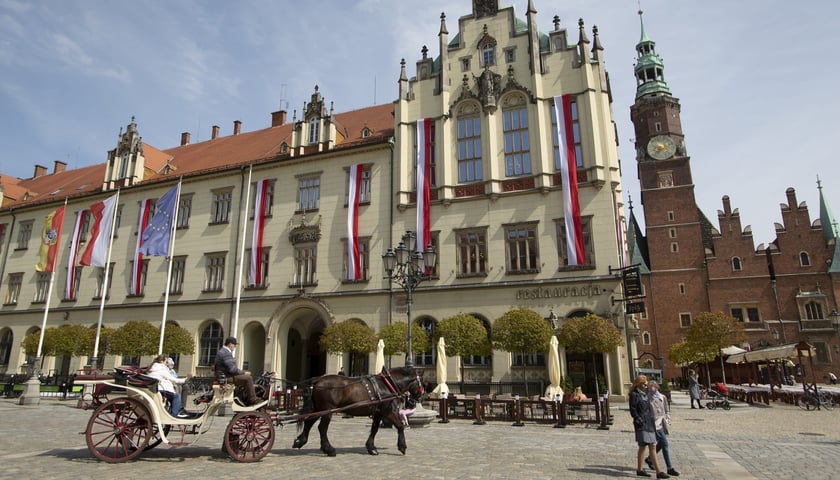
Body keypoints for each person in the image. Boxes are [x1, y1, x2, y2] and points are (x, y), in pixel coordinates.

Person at [629, 375, 669, 478]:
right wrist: (638, 419)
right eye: (645, 383)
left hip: (649, 423)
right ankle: (652, 471)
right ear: (640, 384)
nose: (647, 385)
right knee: (645, 446)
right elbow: (633, 409)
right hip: (641, 424)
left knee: (649, 446)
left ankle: (648, 470)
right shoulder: (634, 395)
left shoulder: (646, 394)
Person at [646, 381, 680, 476]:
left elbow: (666, 409)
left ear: (656, 387)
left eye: (652, 387)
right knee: (664, 443)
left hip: (662, 423)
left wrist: (668, 419)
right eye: (649, 387)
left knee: (661, 444)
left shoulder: (662, 397)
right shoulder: (647, 397)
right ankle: (669, 467)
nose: (650, 389)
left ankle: (649, 458)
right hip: (654, 424)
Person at [215, 336, 258, 406]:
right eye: (234, 345)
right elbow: (232, 370)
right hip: (226, 378)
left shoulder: (222, 351)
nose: (234, 347)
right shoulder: (225, 353)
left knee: (243, 378)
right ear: (230, 344)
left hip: (224, 376)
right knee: (248, 378)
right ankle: (253, 399)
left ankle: (240, 398)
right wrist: (244, 372)